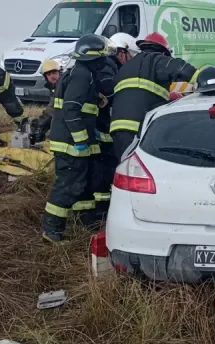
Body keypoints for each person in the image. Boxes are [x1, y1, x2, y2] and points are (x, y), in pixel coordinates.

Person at [42, 34, 116, 243]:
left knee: (82, 183)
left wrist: (96, 99)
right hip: (70, 143)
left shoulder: (80, 73)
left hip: (70, 141)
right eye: (102, 56)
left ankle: (86, 221)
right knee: (68, 185)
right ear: (94, 58)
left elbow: (79, 104)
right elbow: (71, 109)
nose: (105, 61)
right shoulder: (83, 75)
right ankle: (52, 230)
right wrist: (81, 139)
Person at [109, 32, 200, 160]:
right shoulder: (156, 60)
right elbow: (180, 68)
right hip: (139, 129)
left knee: (126, 168)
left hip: (117, 130)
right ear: (163, 51)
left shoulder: (126, 67)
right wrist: (201, 77)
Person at [90, 32, 138, 224]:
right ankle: (101, 211)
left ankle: (102, 209)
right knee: (104, 166)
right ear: (121, 52)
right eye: (128, 55)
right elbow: (108, 89)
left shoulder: (108, 65)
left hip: (102, 125)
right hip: (101, 126)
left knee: (104, 166)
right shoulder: (109, 66)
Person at [30, 59, 62, 144]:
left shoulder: (61, 87)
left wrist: (40, 123)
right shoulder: (54, 87)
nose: (52, 76)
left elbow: (52, 110)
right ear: (45, 77)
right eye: (49, 74)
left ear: (59, 72)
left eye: (54, 73)